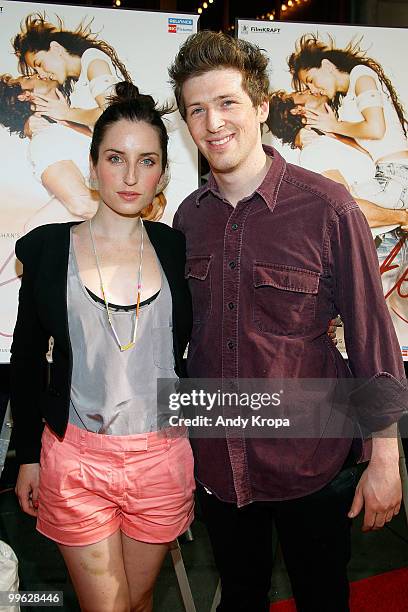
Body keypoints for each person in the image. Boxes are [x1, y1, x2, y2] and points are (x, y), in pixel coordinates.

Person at [168, 31, 407, 612]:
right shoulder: (187, 219)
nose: (213, 122)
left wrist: (385, 459)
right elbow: (183, 346)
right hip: (219, 463)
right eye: (196, 109)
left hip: (312, 462)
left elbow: (373, 338)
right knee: (242, 596)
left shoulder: (328, 207)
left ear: (261, 107)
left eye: (227, 103)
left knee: (322, 598)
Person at [10, 81, 194, 612]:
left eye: (147, 161)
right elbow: (26, 360)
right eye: (116, 159)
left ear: (162, 173)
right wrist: (26, 455)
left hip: (162, 457)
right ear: (92, 167)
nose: (130, 176)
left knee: (138, 605)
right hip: (76, 460)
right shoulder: (47, 249)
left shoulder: (176, 248)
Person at [288, 34, 408, 278]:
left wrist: (333, 127)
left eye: (311, 80)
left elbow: (375, 129)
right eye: (307, 87)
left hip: (397, 175)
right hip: (389, 176)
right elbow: (357, 143)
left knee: (339, 209)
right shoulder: (345, 102)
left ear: (328, 65)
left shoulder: (361, 77)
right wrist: (302, 133)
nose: (313, 88)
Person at [0, 74, 166, 228]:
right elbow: (81, 203)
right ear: (24, 96)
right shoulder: (45, 139)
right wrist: (139, 213)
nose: (38, 74)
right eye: (29, 77)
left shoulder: (74, 125)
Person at [268, 89, 408, 234]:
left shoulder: (336, 136)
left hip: (397, 229)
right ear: (297, 110)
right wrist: (402, 217)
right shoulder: (315, 151)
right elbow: (345, 209)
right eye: (300, 93)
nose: (309, 89)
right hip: (387, 240)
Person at [13, 13, 132, 128]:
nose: (41, 74)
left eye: (39, 64)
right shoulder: (76, 87)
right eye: (36, 70)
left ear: (56, 48)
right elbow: (97, 133)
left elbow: (113, 113)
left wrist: (67, 113)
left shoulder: (92, 60)